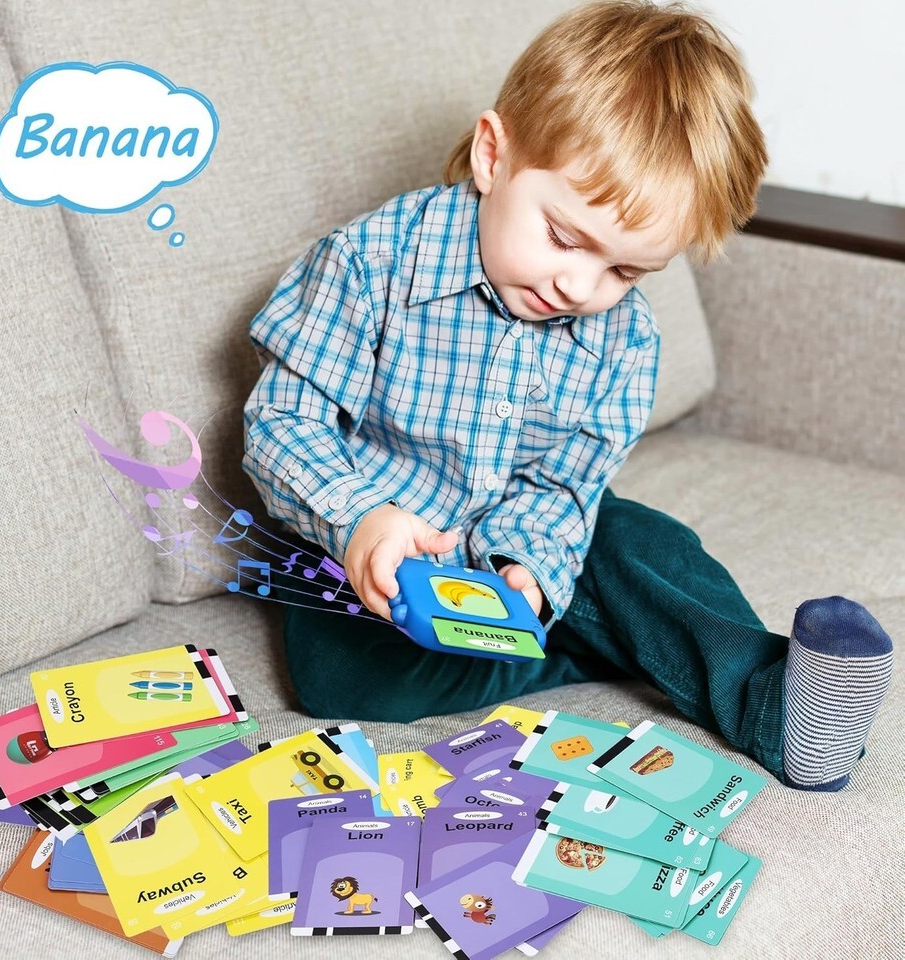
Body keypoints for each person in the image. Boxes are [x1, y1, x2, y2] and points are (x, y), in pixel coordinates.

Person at [242, 0, 892, 791]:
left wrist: (528, 566)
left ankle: (781, 712)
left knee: (644, 551)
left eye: (625, 271)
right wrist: (358, 518)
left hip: (523, 540)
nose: (580, 286)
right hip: (372, 558)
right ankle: (605, 638)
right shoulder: (368, 263)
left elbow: (563, 487)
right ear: (492, 156)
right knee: (339, 677)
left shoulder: (626, 340)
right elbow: (282, 421)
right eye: (563, 238)